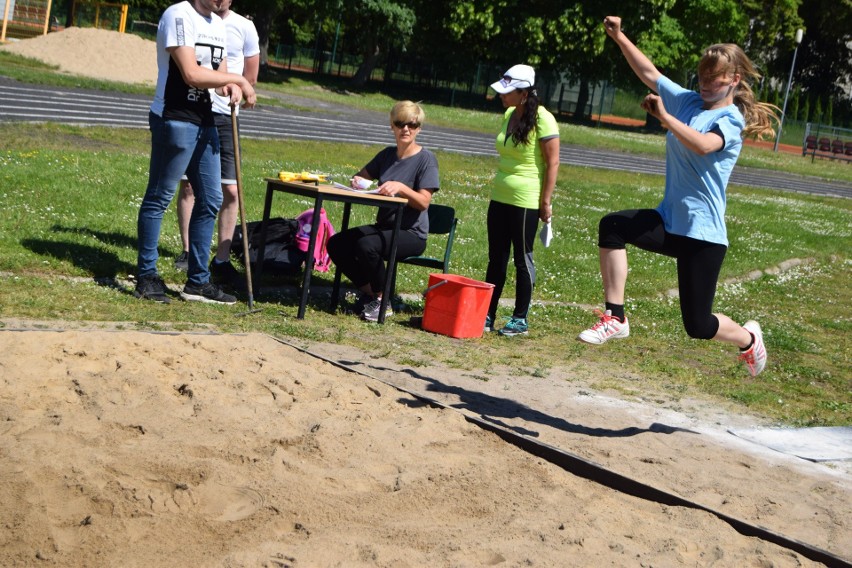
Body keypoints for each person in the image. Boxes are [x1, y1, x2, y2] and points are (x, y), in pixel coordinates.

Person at [577, 16, 778, 377]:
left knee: (698, 325)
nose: (704, 84)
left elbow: (703, 146)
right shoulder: (688, 102)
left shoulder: (730, 120)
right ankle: (616, 317)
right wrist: (620, 37)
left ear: (733, 80)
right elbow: (650, 73)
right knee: (613, 226)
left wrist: (665, 119)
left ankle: (749, 339)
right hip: (670, 222)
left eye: (713, 79)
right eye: (701, 77)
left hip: (703, 236)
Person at [134, 0, 256, 305]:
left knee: (212, 198)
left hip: (205, 120)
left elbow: (218, 77)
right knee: (160, 196)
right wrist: (238, 79)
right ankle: (146, 275)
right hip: (174, 117)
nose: (222, 0)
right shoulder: (178, 15)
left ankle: (198, 282)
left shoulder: (217, 25)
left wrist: (232, 88)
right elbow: (190, 73)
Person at [326, 100, 440, 322]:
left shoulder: (427, 159)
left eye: (412, 125)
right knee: (337, 243)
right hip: (386, 227)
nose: (406, 129)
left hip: (411, 233)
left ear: (419, 129)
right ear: (392, 126)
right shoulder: (387, 155)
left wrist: (401, 188)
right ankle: (371, 293)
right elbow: (360, 177)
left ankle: (382, 300)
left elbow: (424, 202)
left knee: (366, 245)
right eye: (400, 123)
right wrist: (358, 181)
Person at [174, 0, 259, 293]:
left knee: (230, 190)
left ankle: (220, 260)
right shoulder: (191, 19)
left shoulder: (244, 26)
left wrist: (240, 89)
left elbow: (249, 76)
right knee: (189, 186)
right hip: (194, 109)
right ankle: (188, 252)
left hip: (225, 113)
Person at [484, 64, 560, 336]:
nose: (502, 96)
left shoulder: (544, 119)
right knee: (496, 259)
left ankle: (519, 318)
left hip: (526, 200)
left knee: (521, 259)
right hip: (500, 196)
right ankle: (487, 314)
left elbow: (553, 163)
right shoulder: (507, 113)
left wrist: (546, 201)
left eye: (508, 91)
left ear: (525, 93)